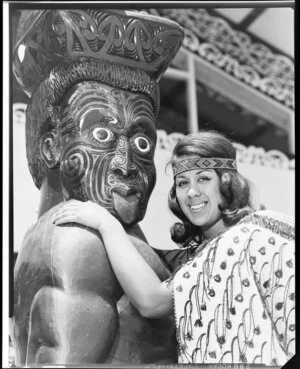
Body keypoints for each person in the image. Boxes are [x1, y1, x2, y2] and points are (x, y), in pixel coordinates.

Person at [11, 8, 184, 365]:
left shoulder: (85, 236)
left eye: (141, 144)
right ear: (51, 146)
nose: (125, 164)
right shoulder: (82, 241)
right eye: (101, 135)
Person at [53, 130, 295, 365]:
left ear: (227, 183)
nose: (191, 192)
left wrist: (106, 224)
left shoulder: (253, 232)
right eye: (182, 182)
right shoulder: (193, 259)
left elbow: (152, 301)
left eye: (204, 179)